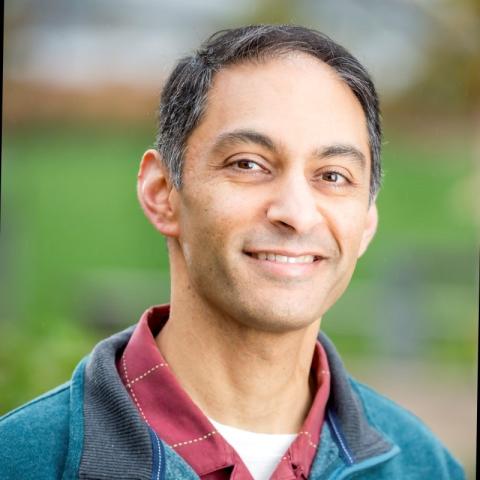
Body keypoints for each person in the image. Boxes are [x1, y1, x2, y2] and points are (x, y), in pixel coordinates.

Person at [0, 24, 464, 480]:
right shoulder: (20, 461)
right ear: (162, 193)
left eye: (333, 175)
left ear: (366, 223)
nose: (297, 214)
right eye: (249, 164)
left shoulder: (423, 465)